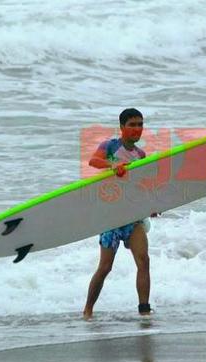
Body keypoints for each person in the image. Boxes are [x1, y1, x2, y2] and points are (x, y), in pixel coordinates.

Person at [83, 108, 153, 320]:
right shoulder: (111, 146)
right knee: (105, 267)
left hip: (132, 216)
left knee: (144, 261)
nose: (137, 129)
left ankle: (144, 309)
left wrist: (152, 206)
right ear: (122, 127)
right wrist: (113, 165)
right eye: (132, 125)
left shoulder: (141, 155)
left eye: (140, 124)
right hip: (111, 217)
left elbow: (140, 185)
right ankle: (88, 310)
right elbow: (93, 161)